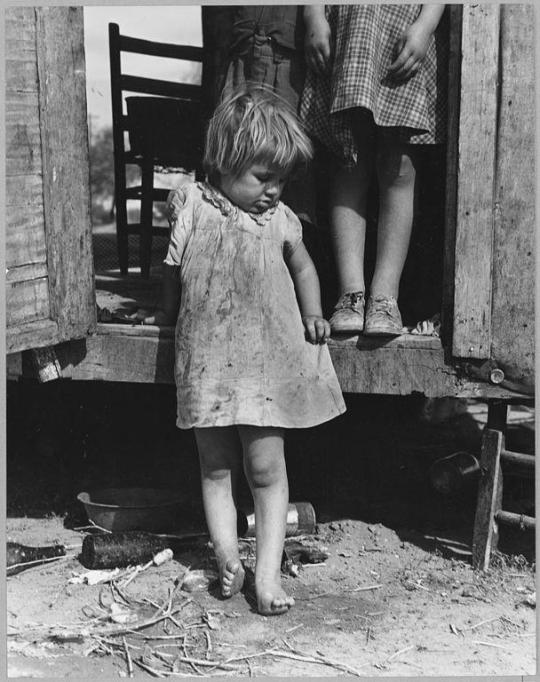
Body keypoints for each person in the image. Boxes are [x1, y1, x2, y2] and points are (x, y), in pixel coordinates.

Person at [143, 86, 346, 615]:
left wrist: (312, 312)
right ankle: (228, 556)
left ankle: (268, 575)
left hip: (262, 369)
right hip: (207, 365)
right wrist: (163, 317)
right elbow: (171, 273)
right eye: (262, 177)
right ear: (224, 163)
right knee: (214, 467)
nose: (274, 190)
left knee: (265, 469)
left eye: (281, 179)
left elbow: (304, 267)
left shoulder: (280, 221)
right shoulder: (191, 204)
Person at [301, 4, 447, 335]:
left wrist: (427, 23)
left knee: (399, 165)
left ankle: (385, 297)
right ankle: (350, 293)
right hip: (350, 24)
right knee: (348, 156)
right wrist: (313, 15)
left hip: (404, 25)